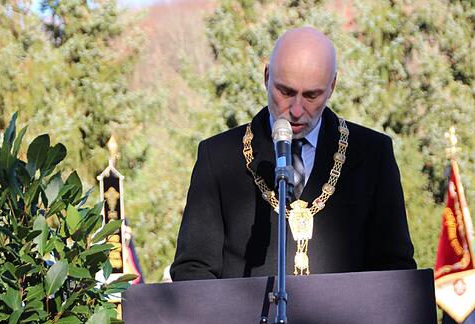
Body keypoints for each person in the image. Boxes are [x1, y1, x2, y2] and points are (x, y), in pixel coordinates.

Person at [171, 27, 415, 281]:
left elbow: (395, 266)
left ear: (332, 86)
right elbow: (193, 269)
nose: (296, 110)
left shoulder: (372, 154)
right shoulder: (218, 157)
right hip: (245, 320)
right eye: (285, 92)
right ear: (267, 76)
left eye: (312, 95)